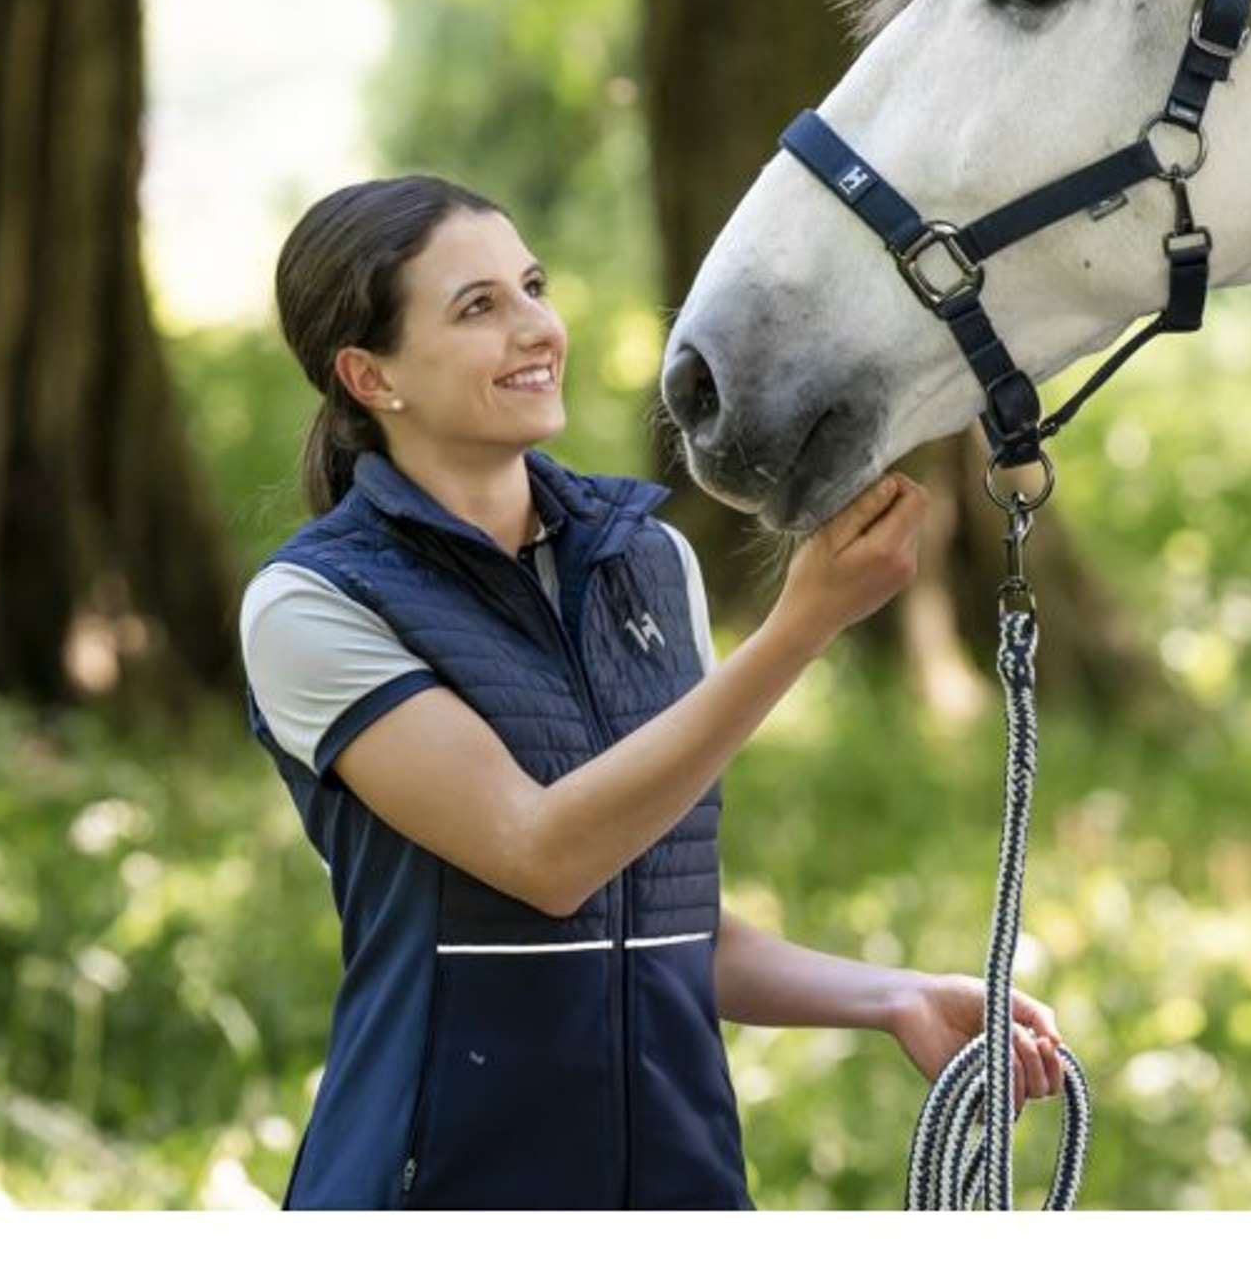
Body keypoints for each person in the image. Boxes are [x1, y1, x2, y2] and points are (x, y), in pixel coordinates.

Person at [242, 173, 1070, 1209]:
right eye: (477, 307)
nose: (535, 328)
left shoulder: (649, 562)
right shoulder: (312, 606)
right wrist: (802, 627)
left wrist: (893, 995)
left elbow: (664, 924)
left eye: (532, 286)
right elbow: (545, 857)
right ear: (370, 377)